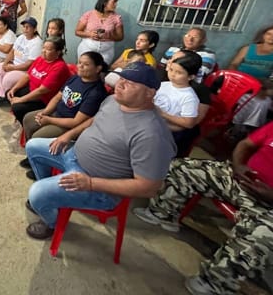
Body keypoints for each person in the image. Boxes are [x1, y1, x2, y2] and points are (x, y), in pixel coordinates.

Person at [24, 62, 175, 240]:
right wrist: (69, 135)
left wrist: (90, 183)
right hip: (74, 155)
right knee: (33, 146)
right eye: (122, 79)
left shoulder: (152, 134)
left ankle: (51, 222)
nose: (120, 84)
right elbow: (95, 119)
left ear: (150, 93)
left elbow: (148, 188)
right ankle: (52, 199)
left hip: (99, 186)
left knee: (37, 193)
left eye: (131, 83)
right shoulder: (113, 100)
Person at [133, 121, 273, 295]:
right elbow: (245, 144)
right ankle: (163, 214)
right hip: (238, 178)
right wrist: (238, 166)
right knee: (180, 168)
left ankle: (214, 283)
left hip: (267, 204)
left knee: (264, 236)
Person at [18, 52, 108, 175]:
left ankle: (42, 164)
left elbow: (76, 122)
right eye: (79, 62)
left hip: (68, 125)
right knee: (29, 119)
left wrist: (48, 120)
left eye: (86, 64)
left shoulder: (96, 92)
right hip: (56, 114)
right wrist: (45, 112)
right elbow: (57, 98)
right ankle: (32, 155)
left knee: (38, 136)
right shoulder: (75, 78)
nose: (80, 66)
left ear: (98, 68)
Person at [6, 37, 71, 135]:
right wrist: (14, 88)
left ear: (58, 52)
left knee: (17, 107)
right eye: (43, 48)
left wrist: (21, 99)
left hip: (44, 99)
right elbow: (28, 75)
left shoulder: (60, 67)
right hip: (32, 90)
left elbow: (42, 90)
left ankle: (26, 128)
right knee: (9, 93)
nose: (44, 51)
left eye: (48, 49)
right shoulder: (40, 59)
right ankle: (21, 120)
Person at [154, 51, 202, 157]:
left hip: (169, 134)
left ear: (191, 77)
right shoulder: (163, 85)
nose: (172, 74)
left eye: (179, 73)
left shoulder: (189, 97)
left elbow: (189, 123)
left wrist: (163, 114)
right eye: (171, 70)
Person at [0, 17, 43, 105]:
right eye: (24, 27)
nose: (25, 29)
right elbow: (12, 51)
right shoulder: (21, 37)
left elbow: (29, 64)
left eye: (28, 27)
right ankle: (1, 95)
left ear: (34, 29)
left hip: (25, 70)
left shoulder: (37, 43)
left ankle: (7, 96)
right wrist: (5, 63)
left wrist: (13, 68)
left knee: (7, 79)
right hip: (14, 64)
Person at [74, 0, 124, 64]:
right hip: (86, 49)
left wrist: (108, 35)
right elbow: (77, 32)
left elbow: (120, 37)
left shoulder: (116, 18)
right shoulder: (89, 14)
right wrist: (90, 34)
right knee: (84, 69)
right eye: (114, 1)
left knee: (101, 71)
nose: (116, 4)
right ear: (105, 2)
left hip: (106, 52)